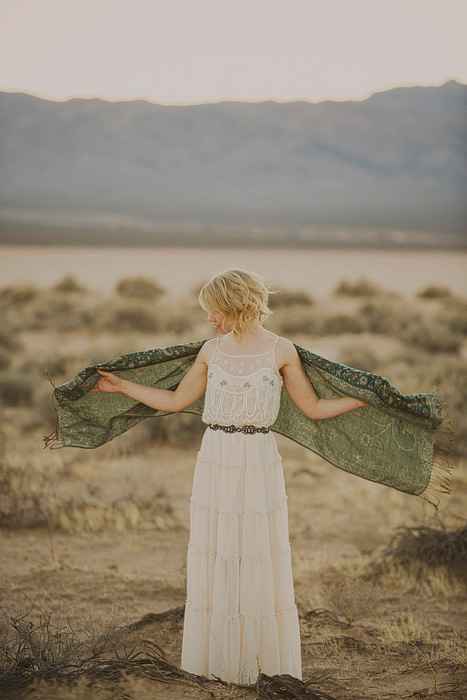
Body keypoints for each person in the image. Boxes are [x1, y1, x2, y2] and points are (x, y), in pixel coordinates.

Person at [92, 268, 368, 685]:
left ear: (236, 306)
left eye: (214, 311)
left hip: (257, 457)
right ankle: (216, 661)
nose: (209, 320)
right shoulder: (211, 350)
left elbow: (312, 407)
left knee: (256, 551)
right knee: (218, 550)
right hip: (216, 456)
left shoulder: (281, 350)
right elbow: (174, 400)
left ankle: (258, 663)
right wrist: (122, 387)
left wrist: (361, 400)